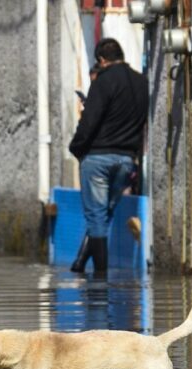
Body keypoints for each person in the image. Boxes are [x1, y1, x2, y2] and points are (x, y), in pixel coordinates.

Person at [68, 38, 149, 274]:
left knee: (96, 217)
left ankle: (100, 279)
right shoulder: (142, 82)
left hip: (98, 159)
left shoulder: (104, 81)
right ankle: (80, 264)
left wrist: (76, 147)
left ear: (102, 60)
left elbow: (90, 120)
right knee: (103, 216)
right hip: (126, 161)